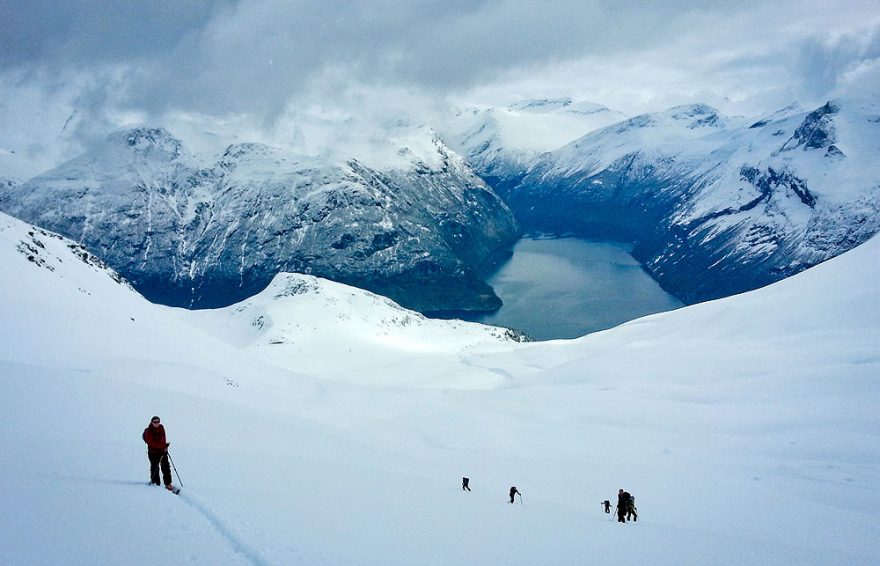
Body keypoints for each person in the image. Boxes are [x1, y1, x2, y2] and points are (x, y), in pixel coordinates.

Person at [142, 416, 174, 491]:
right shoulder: (149, 431)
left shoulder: (161, 427)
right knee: (155, 467)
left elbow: (163, 438)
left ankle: (168, 483)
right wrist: (163, 446)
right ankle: (156, 484)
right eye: (155, 422)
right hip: (153, 452)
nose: (157, 423)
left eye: (158, 422)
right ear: (151, 422)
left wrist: (165, 446)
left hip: (162, 452)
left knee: (166, 467)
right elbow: (151, 443)